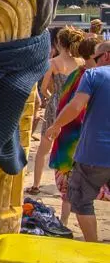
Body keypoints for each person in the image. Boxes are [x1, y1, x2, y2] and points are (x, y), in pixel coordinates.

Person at [46, 40, 110, 242]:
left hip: (94, 152)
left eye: (95, 58)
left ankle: (93, 245)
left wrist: (56, 125)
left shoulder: (94, 75)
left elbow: (75, 107)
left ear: (105, 56)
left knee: (81, 199)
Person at [27, 26, 84, 195]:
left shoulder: (53, 63)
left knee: (43, 149)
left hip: (56, 106)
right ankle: (72, 186)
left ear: (58, 43)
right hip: (76, 106)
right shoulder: (81, 63)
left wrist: (51, 95)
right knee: (73, 147)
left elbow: (43, 89)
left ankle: (36, 185)